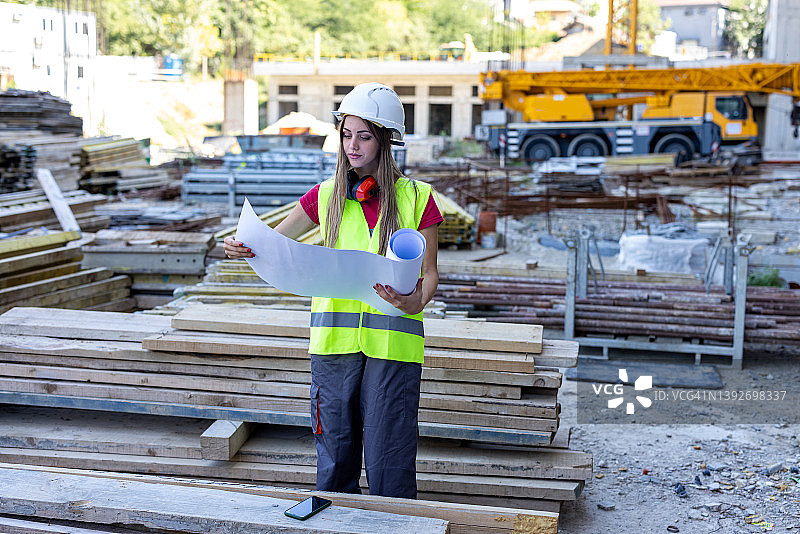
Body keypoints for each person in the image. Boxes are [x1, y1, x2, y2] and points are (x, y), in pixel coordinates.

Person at [223, 82, 442, 499]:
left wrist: (415, 299)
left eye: (364, 136)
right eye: (346, 135)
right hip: (333, 345)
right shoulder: (325, 196)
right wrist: (240, 246)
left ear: (386, 140)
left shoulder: (419, 199)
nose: (352, 146)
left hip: (393, 346)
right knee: (336, 454)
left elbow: (429, 273)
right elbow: (272, 242)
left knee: (389, 457)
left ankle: (393, 525)